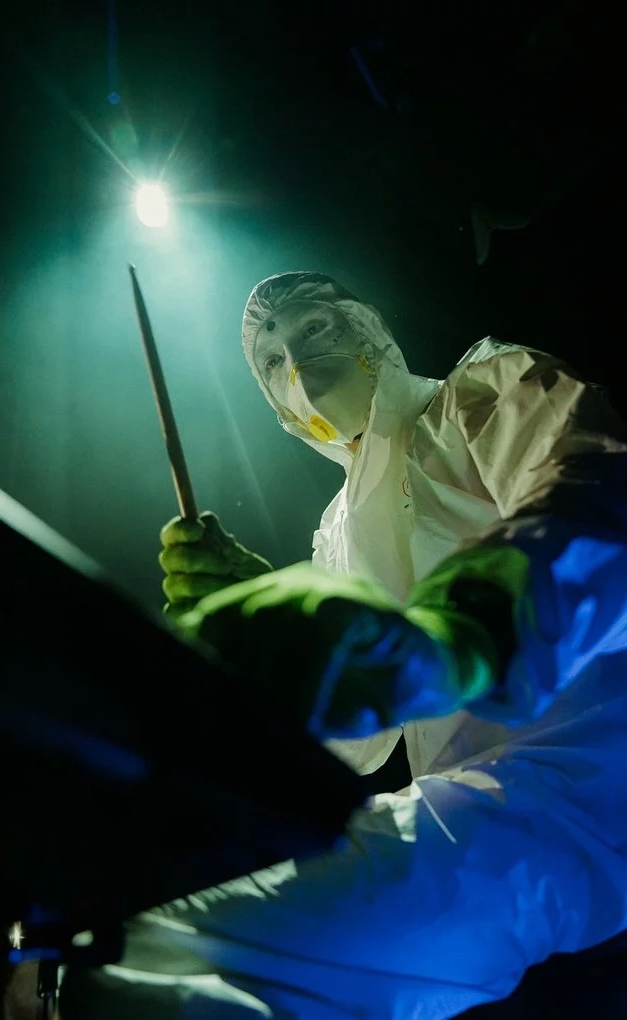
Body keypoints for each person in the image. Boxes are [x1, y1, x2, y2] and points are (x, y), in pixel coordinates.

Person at [61, 272, 627, 1020]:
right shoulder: (336, 529)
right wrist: (275, 655)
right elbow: (363, 743)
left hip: (590, 777)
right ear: (276, 407)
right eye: (271, 361)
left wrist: (462, 634)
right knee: (129, 959)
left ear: (371, 328)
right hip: (493, 801)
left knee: (149, 963)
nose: (295, 362)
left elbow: (599, 494)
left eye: (315, 329)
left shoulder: (479, 392)